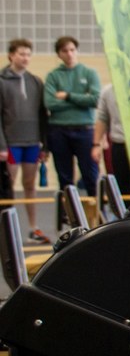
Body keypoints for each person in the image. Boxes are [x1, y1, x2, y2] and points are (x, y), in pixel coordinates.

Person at [0, 39, 50, 243]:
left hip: (32, 143)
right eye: (21, 54)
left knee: (30, 185)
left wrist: (44, 145)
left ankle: (33, 228)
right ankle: (8, 229)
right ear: (11, 55)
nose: (25, 58)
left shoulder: (35, 81)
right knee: (8, 186)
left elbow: (42, 115)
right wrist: (2, 145)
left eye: (28, 54)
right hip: (11, 144)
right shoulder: (2, 80)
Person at [44, 36, 100, 195]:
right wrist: (82, 100)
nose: (69, 54)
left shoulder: (89, 73)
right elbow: (50, 103)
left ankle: (96, 213)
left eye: (72, 50)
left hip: (84, 129)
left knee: (90, 174)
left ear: (77, 51)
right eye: (64, 51)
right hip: (59, 130)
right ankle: (67, 214)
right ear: (59, 54)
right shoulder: (53, 76)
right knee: (64, 178)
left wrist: (68, 96)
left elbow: (95, 99)